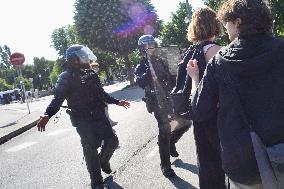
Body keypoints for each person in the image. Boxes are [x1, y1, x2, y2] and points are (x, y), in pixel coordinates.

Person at [187, 0, 284, 188]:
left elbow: (199, 110)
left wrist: (194, 78)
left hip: (244, 164)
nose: (226, 28)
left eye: (227, 22)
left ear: (238, 22)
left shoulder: (219, 62)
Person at [37, 44, 130, 189]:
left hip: (100, 115)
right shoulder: (65, 77)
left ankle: (103, 162)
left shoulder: (91, 74)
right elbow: (57, 99)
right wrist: (47, 114)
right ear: (74, 59)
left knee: (112, 141)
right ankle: (97, 183)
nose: (87, 58)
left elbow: (102, 94)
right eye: (83, 55)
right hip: (83, 120)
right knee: (90, 150)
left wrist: (117, 102)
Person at [172, 7, 226, 189]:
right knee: (225, 162)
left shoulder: (190, 51)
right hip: (218, 116)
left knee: (206, 163)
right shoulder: (217, 51)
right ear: (215, 24)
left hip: (198, 114)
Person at [135, 35, 190, 178]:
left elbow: (174, 76)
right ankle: (165, 165)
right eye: (147, 46)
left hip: (171, 98)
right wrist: (150, 67)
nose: (150, 48)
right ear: (142, 49)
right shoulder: (141, 65)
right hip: (156, 102)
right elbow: (140, 82)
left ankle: (171, 142)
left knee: (185, 123)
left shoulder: (163, 60)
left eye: (152, 45)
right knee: (164, 131)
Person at [90, 62, 118, 127]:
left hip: (101, 95)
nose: (97, 68)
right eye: (95, 67)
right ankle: (108, 122)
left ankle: (109, 121)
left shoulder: (95, 75)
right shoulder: (92, 75)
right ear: (92, 67)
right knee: (104, 109)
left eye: (97, 67)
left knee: (106, 109)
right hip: (98, 97)